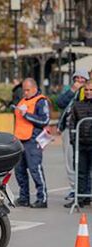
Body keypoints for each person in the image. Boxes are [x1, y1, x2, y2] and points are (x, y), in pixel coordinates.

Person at [14, 78, 50, 208]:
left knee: (35, 170)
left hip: (32, 140)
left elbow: (44, 120)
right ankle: (24, 198)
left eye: (27, 90)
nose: (25, 93)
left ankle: (42, 198)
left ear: (34, 88)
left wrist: (27, 115)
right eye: (24, 90)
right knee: (19, 171)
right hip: (19, 140)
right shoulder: (23, 101)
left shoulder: (41, 101)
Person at [57, 69, 90, 201]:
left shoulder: (87, 91)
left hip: (85, 130)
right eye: (77, 78)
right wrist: (72, 91)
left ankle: (85, 191)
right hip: (68, 129)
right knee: (70, 160)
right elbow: (60, 103)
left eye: (83, 79)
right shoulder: (69, 90)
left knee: (84, 163)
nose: (80, 81)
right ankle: (74, 189)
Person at [66, 81, 92, 208]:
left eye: (91, 90)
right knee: (80, 172)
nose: (88, 92)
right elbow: (72, 124)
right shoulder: (77, 105)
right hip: (81, 143)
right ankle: (80, 198)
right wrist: (73, 140)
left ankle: (89, 196)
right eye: (86, 90)